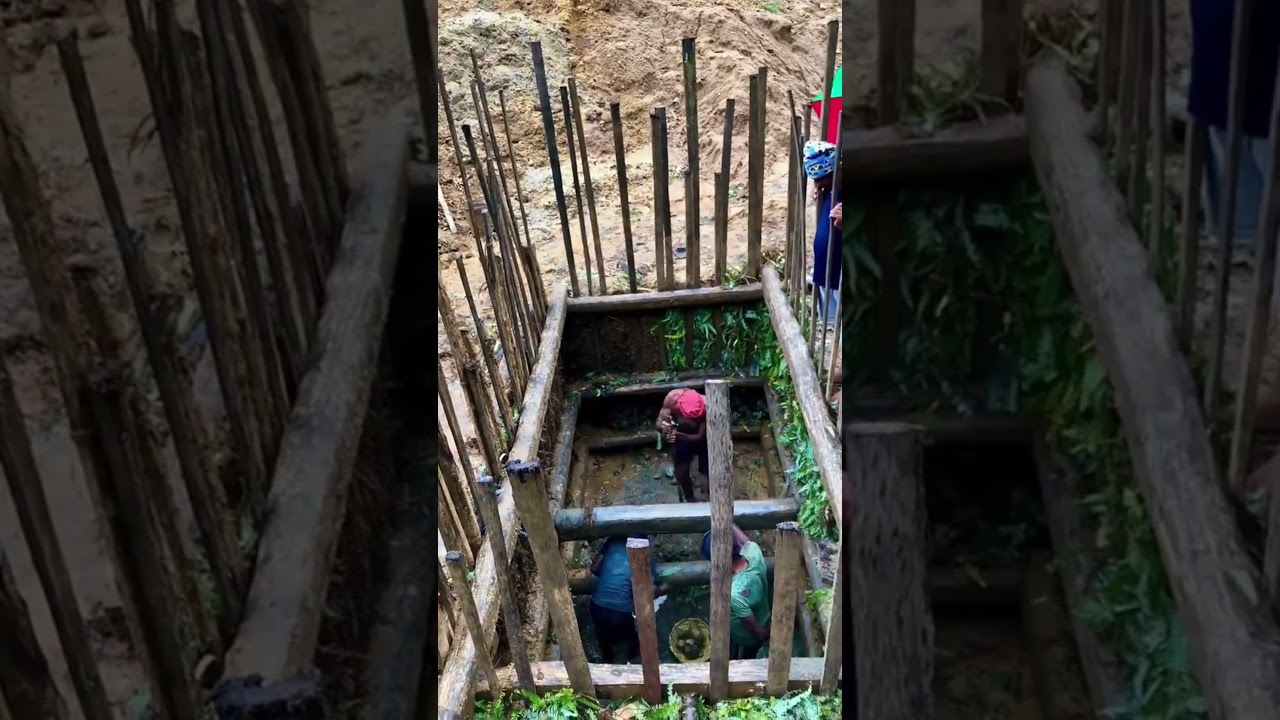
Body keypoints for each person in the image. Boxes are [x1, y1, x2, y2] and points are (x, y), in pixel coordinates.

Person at [588, 534, 671, 663]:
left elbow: (594, 569)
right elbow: (647, 592)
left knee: (603, 637)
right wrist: (663, 589)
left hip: (596, 605)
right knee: (632, 637)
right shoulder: (646, 555)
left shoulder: (612, 540)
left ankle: (607, 659)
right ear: (647, 540)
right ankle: (632, 659)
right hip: (620, 613)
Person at [700, 524, 771, 659]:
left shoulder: (735, 594)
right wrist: (727, 524)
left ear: (719, 562)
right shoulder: (754, 553)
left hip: (746, 638)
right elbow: (745, 541)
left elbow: (757, 632)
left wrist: (764, 634)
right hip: (764, 615)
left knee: (744, 659)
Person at [805, 139, 842, 323]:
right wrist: (820, 185)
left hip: (840, 270)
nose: (817, 183)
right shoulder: (831, 187)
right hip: (826, 267)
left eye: (821, 179)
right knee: (834, 323)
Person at [655, 388, 708, 502]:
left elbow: (700, 437)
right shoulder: (672, 399)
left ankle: (708, 497)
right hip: (682, 436)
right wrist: (666, 429)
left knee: (706, 474)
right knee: (682, 471)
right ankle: (689, 497)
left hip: (705, 438)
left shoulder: (708, 405)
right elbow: (659, 423)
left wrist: (678, 435)